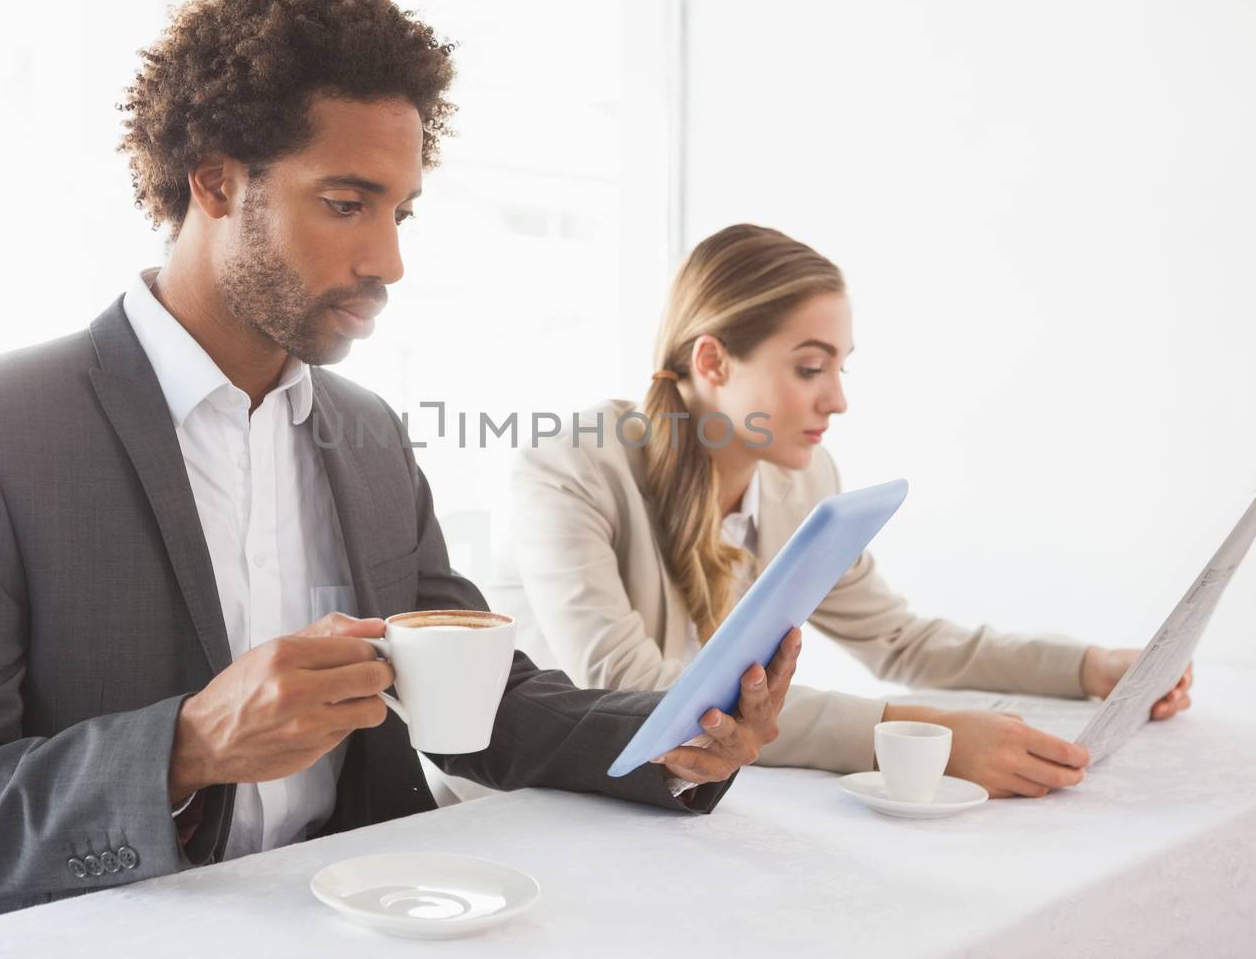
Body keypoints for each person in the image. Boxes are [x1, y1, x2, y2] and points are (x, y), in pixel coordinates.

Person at [0, 0, 799, 931]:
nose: (389, 260)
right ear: (215, 179)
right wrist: (184, 746)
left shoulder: (370, 433)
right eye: (347, 203)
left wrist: (674, 737)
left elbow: (476, 699)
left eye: (402, 211)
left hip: (360, 919)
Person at [490, 223, 1192, 799]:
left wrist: (1091, 667)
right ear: (712, 363)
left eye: (840, 368)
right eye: (808, 367)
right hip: (536, 810)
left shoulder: (802, 480)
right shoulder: (570, 468)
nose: (837, 400)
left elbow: (901, 640)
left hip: (677, 804)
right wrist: (919, 736)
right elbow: (634, 692)